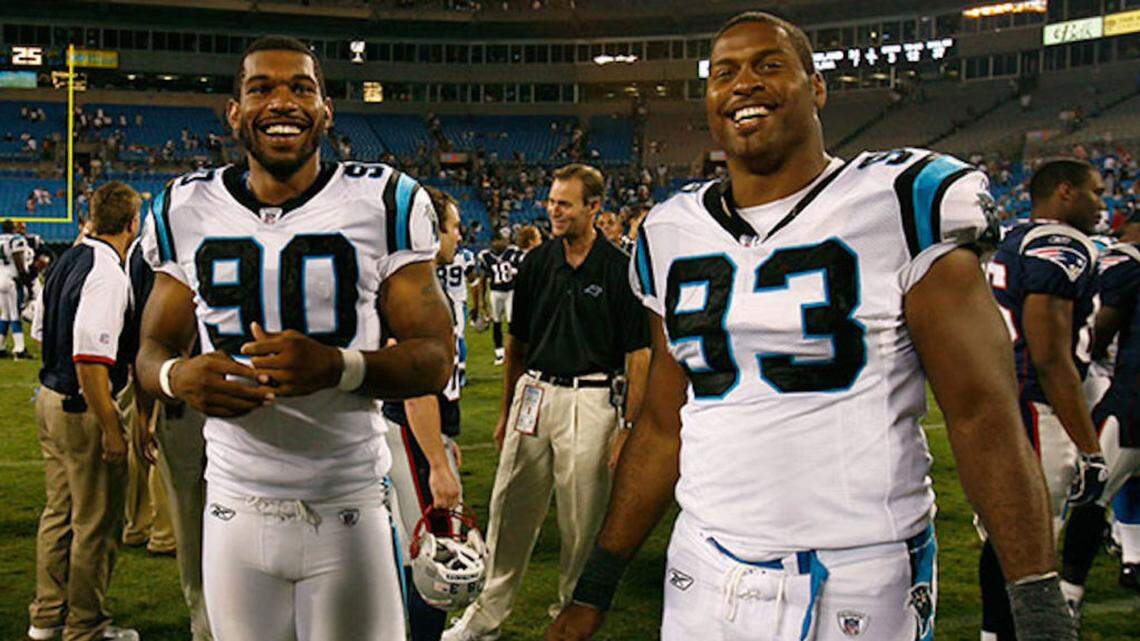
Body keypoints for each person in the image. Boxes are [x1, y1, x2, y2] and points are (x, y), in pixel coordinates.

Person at [546, 12, 1074, 641]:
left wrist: (1040, 611)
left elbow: (982, 414)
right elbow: (663, 424)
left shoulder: (903, 202)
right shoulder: (668, 232)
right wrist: (595, 588)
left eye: (769, 65)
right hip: (703, 566)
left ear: (816, 87)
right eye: (724, 72)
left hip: (862, 572)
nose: (743, 83)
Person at [134, 36, 454, 641]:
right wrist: (181, 377)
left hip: (347, 503)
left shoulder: (384, 199)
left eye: (301, 88)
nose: (282, 102)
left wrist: (340, 366)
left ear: (326, 109)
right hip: (232, 504)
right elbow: (151, 351)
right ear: (234, 113)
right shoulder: (184, 206)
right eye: (261, 88)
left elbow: (435, 358)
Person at [444, 163, 651, 641]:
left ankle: (567, 614)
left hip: (593, 398)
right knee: (509, 508)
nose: (552, 210)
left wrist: (628, 427)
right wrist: (504, 413)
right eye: (551, 201)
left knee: (581, 519)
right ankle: (485, 616)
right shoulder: (536, 263)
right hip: (534, 392)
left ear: (593, 207)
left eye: (564, 203)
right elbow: (516, 342)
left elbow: (637, 354)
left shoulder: (620, 268)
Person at [985, 158, 1107, 634]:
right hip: (1037, 404)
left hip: (1007, 394)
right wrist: (1090, 446)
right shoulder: (1061, 243)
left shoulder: (1015, 236)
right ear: (1064, 192)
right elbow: (1051, 354)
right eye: (1093, 192)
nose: (1101, 204)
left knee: (1006, 537)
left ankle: (995, 632)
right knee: (1031, 544)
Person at [28, 181, 141, 641]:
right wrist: (113, 429)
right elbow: (91, 359)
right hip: (83, 404)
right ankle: (85, 626)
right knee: (95, 523)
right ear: (132, 224)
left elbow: (38, 330)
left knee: (59, 513)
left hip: (50, 400)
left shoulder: (64, 260)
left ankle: (46, 619)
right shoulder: (107, 272)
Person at [383, 186, 468, 641]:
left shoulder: (424, 286)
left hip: (418, 433)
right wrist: (438, 462)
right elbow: (417, 386)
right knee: (434, 559)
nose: (458, 237)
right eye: (452, 227)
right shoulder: (414, 293)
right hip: (412, 436)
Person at [1059, 212, 1140, 602]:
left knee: (1093, 492)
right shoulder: (1125, 260)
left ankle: (1070, 591)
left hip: (1127, 398)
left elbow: (1098, 331)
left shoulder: (1122, 260)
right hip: (1123, 393)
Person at [478, 232, 522, 365]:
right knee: (496, 322)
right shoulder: (485, 256)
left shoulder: (514, 252)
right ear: (492, 242)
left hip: (511, 291)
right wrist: (482, 300)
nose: (501, 244)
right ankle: (499, 352)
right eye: (498, 241)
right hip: (495, 292)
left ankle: (512, 351)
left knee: (511, 322)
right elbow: (483, 278)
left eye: (502, 240)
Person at [0, 218, 30, 358]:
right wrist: (24, 277)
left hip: (0, 276)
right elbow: (18, 258)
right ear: (13, 228)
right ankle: (19, 348)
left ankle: (0, 346)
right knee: (14, 314)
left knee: (5, 314)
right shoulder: (16, 240)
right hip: (11, 278)